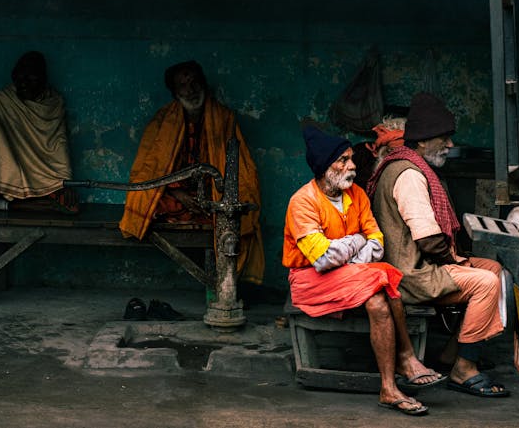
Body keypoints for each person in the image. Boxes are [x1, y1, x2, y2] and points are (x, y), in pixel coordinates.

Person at [283, 125, 447, 416]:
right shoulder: (302, 201)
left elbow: (378, 242)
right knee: (382, 274)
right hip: (310, 281)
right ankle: (406, 358)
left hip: (353, 275)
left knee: (378, 297)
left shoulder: (356, 195)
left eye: (351, 159)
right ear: (324, 166)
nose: (353, 166)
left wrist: (349, 254)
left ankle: (388, 388)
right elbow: (323, 258)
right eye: (343, 160)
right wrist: (357, 242)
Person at [366, 92, 510, 398]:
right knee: (484, 283)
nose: (450, 145)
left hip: (419, 266)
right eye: (443, 139)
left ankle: (451, 352)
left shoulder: (409, 165)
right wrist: (454, 261)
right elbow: (429, 241)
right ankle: (463, 369)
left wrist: (456, 260)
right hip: (409, 275)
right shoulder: (409, 175)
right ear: (421, 142)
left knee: (494, 269)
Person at [119, 60, 264, 286]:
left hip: (212, 196)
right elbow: (149, 170)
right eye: (184, 85)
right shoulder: (162, 121)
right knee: (143, 201)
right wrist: (179, 195)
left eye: (196, 82)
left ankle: (226, 284)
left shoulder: (224, 118)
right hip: (174, 196)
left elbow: (241, 170)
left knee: (238, 212)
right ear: (175, 93)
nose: (192, 89)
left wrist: (212, 195)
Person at [0, 50, 77, 217]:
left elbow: (58, 145)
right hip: (5, 174)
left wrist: (66, 183)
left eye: (30, 79)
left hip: (42, 175)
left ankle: (2, 205)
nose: (23, 84)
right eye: (19, 79)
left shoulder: (54, 103)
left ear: (43, 79)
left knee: (70, 207)